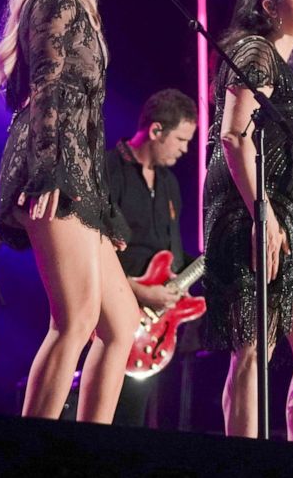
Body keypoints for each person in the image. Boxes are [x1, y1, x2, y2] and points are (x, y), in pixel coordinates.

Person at [0, 0, 139, 424]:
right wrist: (51, 170)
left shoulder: (78, 1)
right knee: (74, 321)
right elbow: (51, 87)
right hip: (50, 161)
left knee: (120, 325)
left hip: (75, 166)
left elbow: (88, 119)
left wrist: (102, 205)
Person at [202, 0, 293, 443]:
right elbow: (234, 137)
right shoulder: (254, 51)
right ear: (268, 5)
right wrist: (263, 213)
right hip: (255, 213)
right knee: (253, 346)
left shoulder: (283, 64)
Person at [104, 88, 198, 427]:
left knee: (134, 417)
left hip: (153, 326)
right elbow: (90, 247)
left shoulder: (169, 182)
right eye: (181, 140)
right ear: (156, 130)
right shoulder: (108, 170)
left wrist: (182, 278)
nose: (186, 149)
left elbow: (168, 251)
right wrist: (137, 290)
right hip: (112, 308)